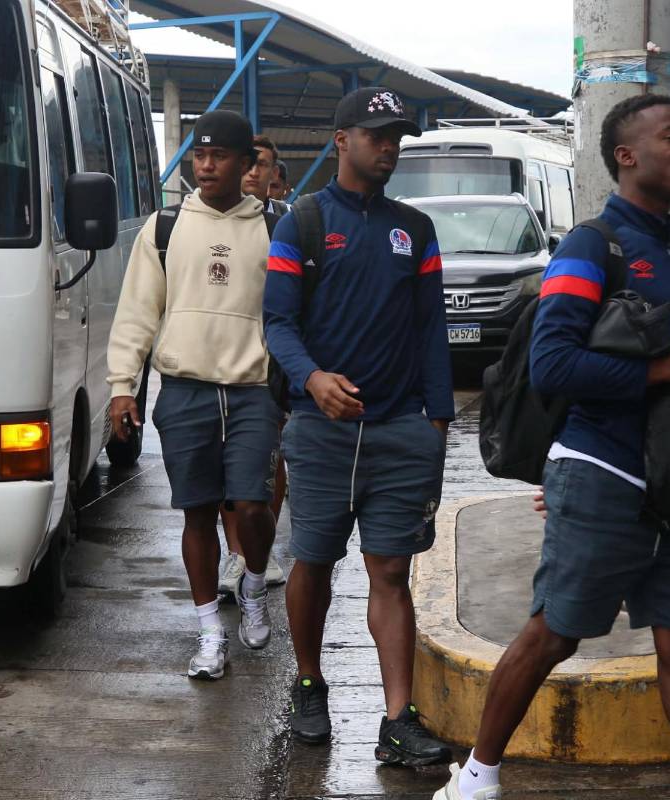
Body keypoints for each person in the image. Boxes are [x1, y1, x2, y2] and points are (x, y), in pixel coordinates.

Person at [434, 94, 670, 800]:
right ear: (627, 157)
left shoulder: (669, 249)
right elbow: (554, 365)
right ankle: (477, 780)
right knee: (556, 633)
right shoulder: (591, 246)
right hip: (603, 470)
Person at [263, 86, 455, 767]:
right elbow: (278, 324)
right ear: (341, 140)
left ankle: (397, 721)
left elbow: (432, 328)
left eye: (396, 136)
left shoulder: (416, 230)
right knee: (312, 562)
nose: (389, 147)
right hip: (320, 431)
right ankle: (309, 683)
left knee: (391, 573)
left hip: (402, 429)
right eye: (376, 135)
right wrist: (312, 379)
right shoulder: (303, 223)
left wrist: (437, 422)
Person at [107, 110, 280, 682]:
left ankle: (253, 582)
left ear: (245, 163)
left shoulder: (275, 229)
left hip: (254, 392)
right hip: (184, 391)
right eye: (198, 156)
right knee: (197, 513)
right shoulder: (163, 228)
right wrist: (121, 387)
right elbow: (137, 313)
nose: (205, 166)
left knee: (253, 507)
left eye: (219, 156)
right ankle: (209, 633)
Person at [217, 134, 293, 598]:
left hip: (272, 363)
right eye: (245, 163)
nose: (251, 172)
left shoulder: (285, 226)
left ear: (272, 176)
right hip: (221, 363)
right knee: (228, 467)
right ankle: (236, 555)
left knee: (270, 460)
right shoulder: (211, 221)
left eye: (260, 165)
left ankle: (258, 552)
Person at [243, 133, 291, 216]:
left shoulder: (290, 217)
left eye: (262, 164)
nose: (254, 173)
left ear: (274, 173)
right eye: (248, 163)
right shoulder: (216, 215)